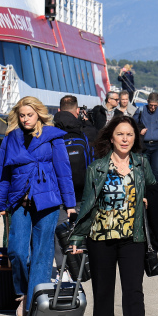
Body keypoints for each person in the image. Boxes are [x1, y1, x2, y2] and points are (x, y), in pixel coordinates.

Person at [68, 115, 155, 316]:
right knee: (103, 292)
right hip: (101, 237)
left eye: (129, 134)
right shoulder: (97, 168)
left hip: (133, 238)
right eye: (120, 134)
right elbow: (87, 206)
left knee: (133, 292)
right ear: (111, 137)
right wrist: (77, 236)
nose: (125, 139)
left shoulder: (141, 164)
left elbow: (154, 190)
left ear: (135, 137)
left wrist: (147, 200)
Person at [0, 97, 77, 316]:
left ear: (38, 114)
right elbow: (2, 174)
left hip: (47, 200)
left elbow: (63, 171)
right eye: (22, 115)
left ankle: (34, 300)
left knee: (42, 252)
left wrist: (70, 204)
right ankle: (23, 293)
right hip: (19, 201)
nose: (25, 119)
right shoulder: (11, 138)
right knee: (17, 251)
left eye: (29, 114)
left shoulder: (52, 136)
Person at [53, 94, 98, 266]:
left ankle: (62, 267)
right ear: (77, 110)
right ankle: (85, 262)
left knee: (60, 228)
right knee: (83, 225)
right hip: (82, 187)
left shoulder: (52, 132)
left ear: (58, 111)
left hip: (60, 190)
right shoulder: (85, 132)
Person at [134, 92, 158, 185]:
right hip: (145, 145)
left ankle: (157, 192)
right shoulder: (141, 110)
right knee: (143, 171)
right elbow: (133, 125)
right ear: (147, 102)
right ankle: (145, 193)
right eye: (151, 105)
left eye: (155, 105)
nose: (153, 108)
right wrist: (139, 130)